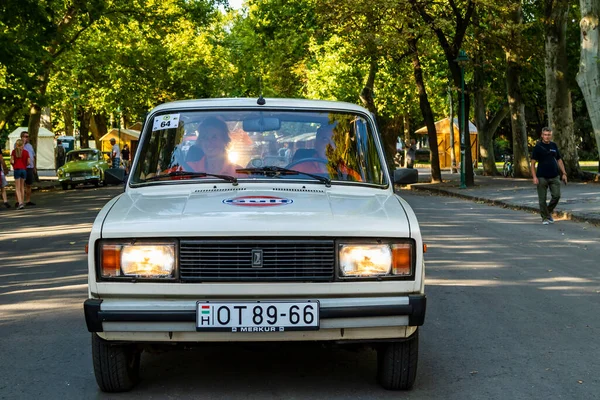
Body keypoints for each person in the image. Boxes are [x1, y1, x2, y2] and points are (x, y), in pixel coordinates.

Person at [292, 123, 362, 181]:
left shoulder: (352, 176)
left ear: (342, 147)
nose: (330, 146)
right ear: (316, 145)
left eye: (335, 141)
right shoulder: (298, 170)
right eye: (325, 140)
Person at [530, 127, 568, 225]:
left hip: (554, 176)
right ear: (542, 135)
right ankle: (545, 218)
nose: (547, 137)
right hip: (541, 177)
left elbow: (559, 160)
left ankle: (547, 212)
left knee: (557, 196)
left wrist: (564, 173)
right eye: (545, 135)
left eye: (549, 135)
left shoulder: (553, 145)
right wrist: (534, 177)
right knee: (542, 199)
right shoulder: (538, 147)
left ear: (551, 135)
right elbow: (533, 163)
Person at [15, 131, 36, 206]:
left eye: (28, 137)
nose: (27, 138)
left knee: (29, 184)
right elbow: (17, 154)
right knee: (20, 185)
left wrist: (34, 167)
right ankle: (19, 201)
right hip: (22, 167)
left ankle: (28, 200)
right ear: (22, 137)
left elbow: (33, 156)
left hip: (30, 167)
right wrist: (23, 143)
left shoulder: (30, 146)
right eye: (25, 136)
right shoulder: (17, 144)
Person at [10, 139, 30, 210]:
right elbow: (28, 162)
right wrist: (24, 164)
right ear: (23, 145)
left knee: (17, 188)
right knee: (22, 187)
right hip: (24, 170)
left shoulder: (14, 152)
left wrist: (14, 165)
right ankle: (22, 202)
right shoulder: (26, 152)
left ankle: (20, 203)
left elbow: (11, 161)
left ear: (17, 145)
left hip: (17, 169)